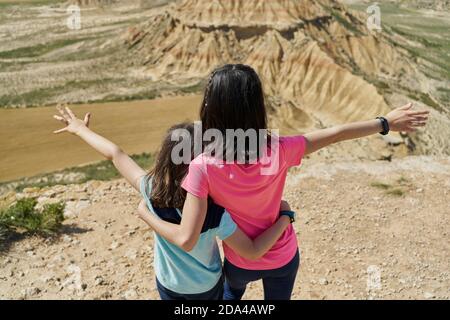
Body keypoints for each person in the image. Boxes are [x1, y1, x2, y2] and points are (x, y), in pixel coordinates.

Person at [136, 64, 429, 300]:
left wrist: (146, 211)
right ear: (257, 108)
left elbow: (187, 234)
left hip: (240, 262)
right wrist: (386, 123)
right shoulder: (280, 149)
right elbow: (337, 132)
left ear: (211, 110)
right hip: (283, 256)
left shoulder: (202, 167)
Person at [52, 109, 295, 300]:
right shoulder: (215, 211)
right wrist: (285, 217)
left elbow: (116, 154)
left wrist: (80, 130)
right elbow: (252, 251)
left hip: (168, 283)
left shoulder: (151, 190)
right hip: (205, 286)